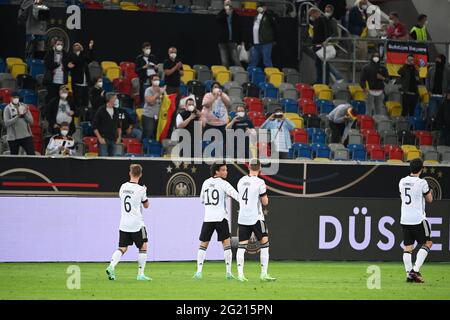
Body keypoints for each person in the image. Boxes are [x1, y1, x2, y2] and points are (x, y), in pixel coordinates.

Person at [193, 163, 239, 280]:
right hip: (220, 217)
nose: (226, 172)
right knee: (226, 244)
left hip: (208, 218)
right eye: (223, 170)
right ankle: (228, 273)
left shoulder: (206, 183)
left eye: (226, 170)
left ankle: (198, 272)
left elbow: (202, 200)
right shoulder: (224, 184)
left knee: (203, 244)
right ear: (216, 172)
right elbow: (236, 196)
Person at [106, 164, 151, 281]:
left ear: (129, 173)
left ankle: (111, 266)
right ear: (140, 175)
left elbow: (123, 199)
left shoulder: (122, 187)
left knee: (122, 248)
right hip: (137, 224)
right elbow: (146, 206)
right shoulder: (141, 189)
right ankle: (140, 274)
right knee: (143, 246)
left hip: (124, 223)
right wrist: (145, 192)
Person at [236, 159, 275, 282]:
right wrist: (264, 193)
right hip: (256, 217)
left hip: (242, 217)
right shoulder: (260, 182)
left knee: (242, 246)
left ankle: (240, 275)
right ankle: (263, 274)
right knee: (265, 243)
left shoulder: (241, 181)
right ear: (259, 169)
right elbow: (265, 202)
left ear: (249, 168)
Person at [399, 158, 433, 283]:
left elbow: (402, 196)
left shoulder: (402, 182)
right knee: (428, 243)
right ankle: (415, 270)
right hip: (418, 219)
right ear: (421, 169)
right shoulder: (422, 182)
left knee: (408, 247)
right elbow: (429, 199)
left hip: (405, 218)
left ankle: (409, 274)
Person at [309, 7, 344, 84]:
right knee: (319, 64)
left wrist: (321, 42)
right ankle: (320, 81)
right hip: (318, 44)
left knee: (323, 64)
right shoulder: (319, 20)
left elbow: (323, 33)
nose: (311, 16)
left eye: (311, 14)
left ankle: (325, 81)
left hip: (321, 45)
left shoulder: (321, 20)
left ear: (315, 13)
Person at [201, 82, 231, 156]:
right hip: (209, 124)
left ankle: (221, 158)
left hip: (222, 124)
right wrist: (215, 97)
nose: (216, 88)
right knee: (207, 142)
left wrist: (221, 95)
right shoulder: (208, 95)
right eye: (215, 87)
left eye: (218, 87)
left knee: (221, 143)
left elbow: (228, 104)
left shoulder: (224, 95)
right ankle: (206, 157)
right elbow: (206, 105)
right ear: (211, 89)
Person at [67, 40, 94, 121]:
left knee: (85, 104)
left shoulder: (83, 56)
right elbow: (78, 61)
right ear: (73, 48)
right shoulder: (71, 56)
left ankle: (84, 120)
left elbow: (90, 58)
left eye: (78, 45)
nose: (77, 46)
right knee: (77, 105)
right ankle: (77, 121)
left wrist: (90, 48)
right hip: (77, 84)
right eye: (75, 45)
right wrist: (82, 52)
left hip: (85, 85)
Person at [92, 92, 122, 156]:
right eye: (115, 98)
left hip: (114, 139)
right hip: (103, 139)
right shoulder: (101, 110)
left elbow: (118, 126)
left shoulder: (116, 110)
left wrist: (119, 137)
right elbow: (95, 126)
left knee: (112, 160)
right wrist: (100, 138)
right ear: (110, 99)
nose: (116, 100)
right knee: (103, 160)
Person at [249, 1, 277, 68]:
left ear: (265, 7)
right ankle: (250, 76)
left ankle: (271, 76)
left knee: (267, 61)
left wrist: (266, 12)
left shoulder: (269, 16)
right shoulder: (255, 16)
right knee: (253, 61)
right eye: (258, 7)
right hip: (256, 43)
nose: (259, 8)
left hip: (266, 42)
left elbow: (274, 25)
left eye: (260, 7)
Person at [426, 54, 449, 130]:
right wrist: (428, 91)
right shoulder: (431, 70)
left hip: (443, 96)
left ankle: (440, 130)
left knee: (442, 115)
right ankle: (432, 129)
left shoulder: (447, 71)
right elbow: (427, 81)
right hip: (433, 96)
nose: (437, 61)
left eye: (439, 59)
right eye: (436, 59)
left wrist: (447, 92)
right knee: (432, 114)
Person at [43, 38, 69, 104]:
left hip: (62, 81)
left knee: (60, 100)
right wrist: (57, 64)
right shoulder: (49, 53)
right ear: (55, 45)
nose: (60, 45)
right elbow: (47, 65)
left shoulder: (65, 54)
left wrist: (67, 67)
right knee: (51, 100)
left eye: (61, 44)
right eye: (58, 44)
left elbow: (68, 66)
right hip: (51, 81)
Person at [217, 0, 242, 68]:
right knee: (224, 61)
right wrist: (226, 13)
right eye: (226, 4)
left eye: (229, 4)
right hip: (222, 41)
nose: (228, 5)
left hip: (233, 41)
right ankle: (226, 76)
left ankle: (241, 75)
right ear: (224, 5)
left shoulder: (235, 15)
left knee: (236, 60)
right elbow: (218, 19)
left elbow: (239, 28)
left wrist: (240, 41)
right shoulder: (221, 13)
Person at [142, 74, 165, 140]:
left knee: (156, 134)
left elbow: (165, 102)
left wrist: (162, 94)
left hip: (159, 116)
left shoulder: (162, 90)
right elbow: (149, 101)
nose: (157, 81)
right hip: (148, 116)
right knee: (148, 133)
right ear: (151, 81)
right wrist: (157, 95)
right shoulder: (148, 90)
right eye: (155, 80)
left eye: (158, 80)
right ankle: (144, 148)